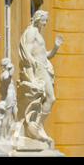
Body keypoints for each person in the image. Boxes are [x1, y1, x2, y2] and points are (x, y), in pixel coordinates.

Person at [18, 10, 63, 143]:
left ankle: (36, 126)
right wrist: (33, 69)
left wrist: (55, 47)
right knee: (51, 98)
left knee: (47, 99)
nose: (46, 22)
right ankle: (34, 127)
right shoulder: (32, 32)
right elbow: (27, 52)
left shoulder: (37, 33)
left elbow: (45, 55)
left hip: (45, 67)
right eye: (44, 20)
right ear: (38, 18)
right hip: (39, 69)